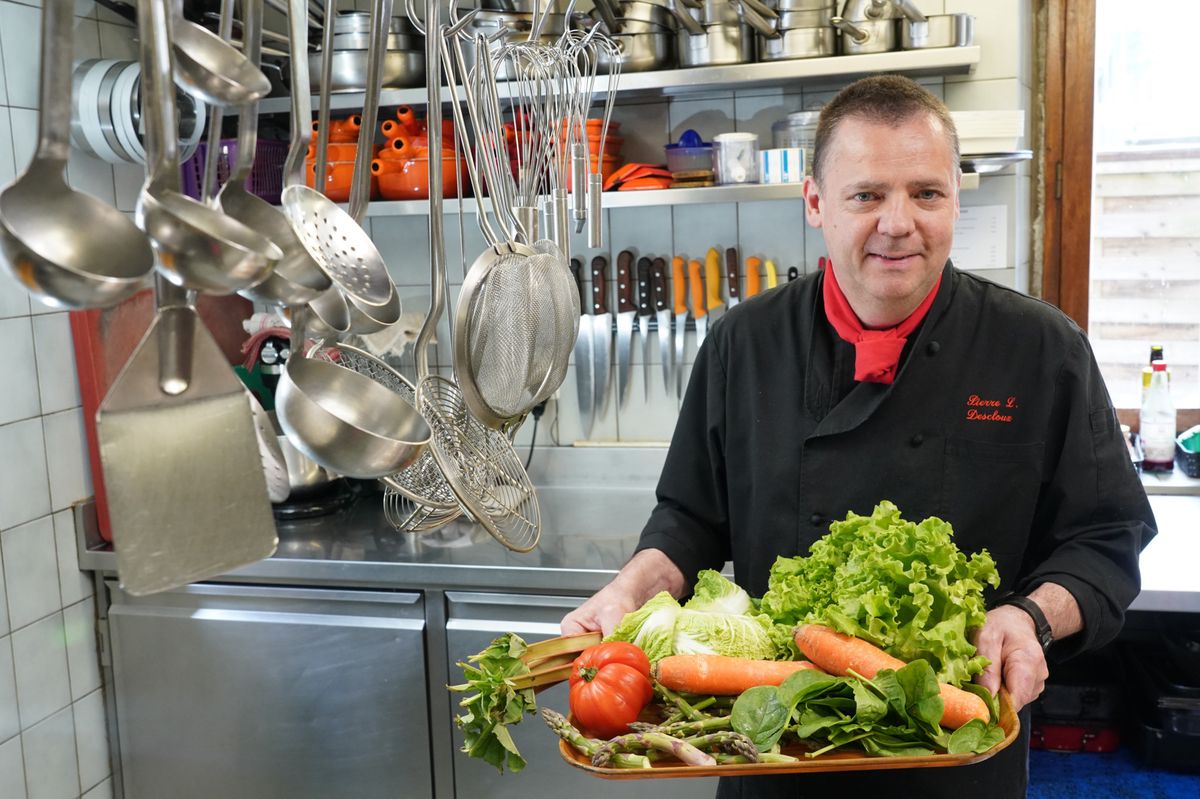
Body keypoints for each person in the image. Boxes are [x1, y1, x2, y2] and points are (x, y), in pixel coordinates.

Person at [560, 75, 1156, 798]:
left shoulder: (1040, 349)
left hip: (956, 747)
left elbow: (1106, 537)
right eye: (867, 195)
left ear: (955, 201)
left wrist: (1029, 617)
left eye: (926, 193)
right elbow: (689, 517)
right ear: (815, 203)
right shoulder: (743, 344)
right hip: (774, 748)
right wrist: (631, 586)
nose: (898, 223)